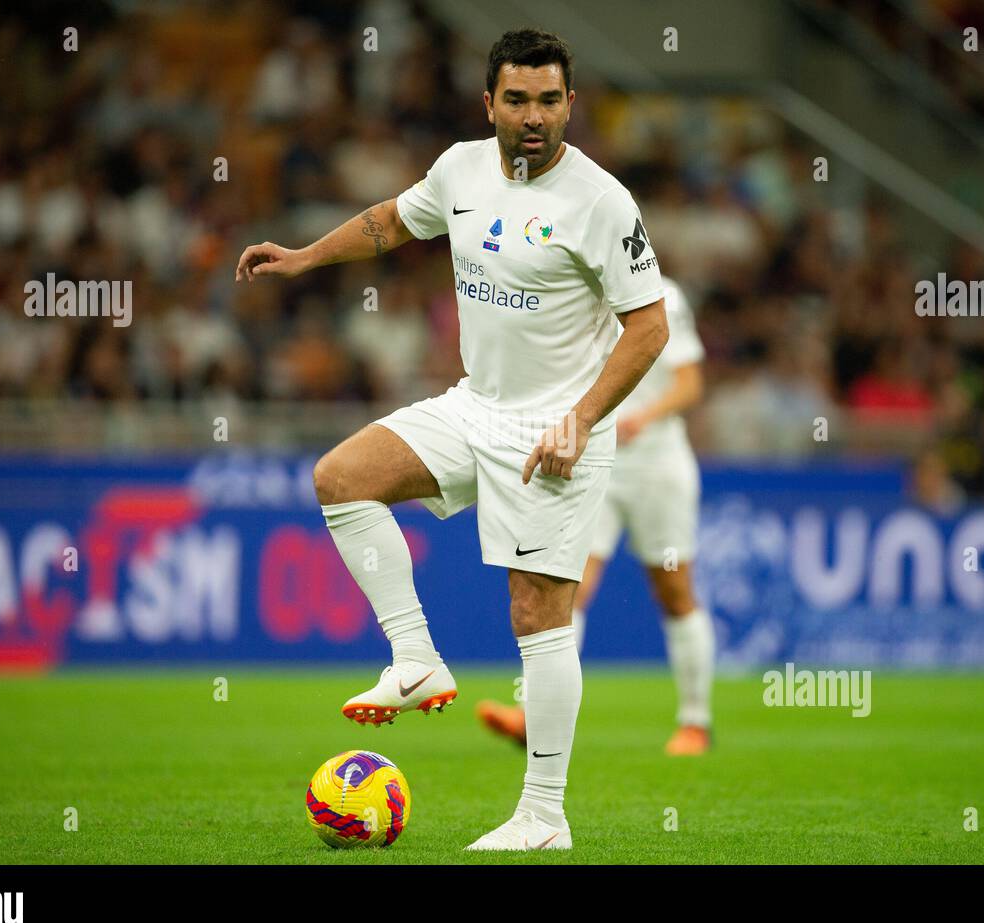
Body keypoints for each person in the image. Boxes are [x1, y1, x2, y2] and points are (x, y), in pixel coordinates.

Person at [234, 28, 667, 851]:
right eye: (517, 99)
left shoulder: (603, 201)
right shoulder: (459, 169)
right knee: (340, 477)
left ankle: (543, 813)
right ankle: (415, 657)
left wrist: (582, 418)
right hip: (477, 408)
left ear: (570, 104)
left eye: (549, 100)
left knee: (537, 615)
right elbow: (390, 224)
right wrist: (302, 258)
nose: (533, 116)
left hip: (558, 431)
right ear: (489, 103)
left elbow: (649, 329)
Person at [477, 277, 716, 756]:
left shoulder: (663, 293)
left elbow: (691, 383)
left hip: (657, 465)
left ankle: (695, 722)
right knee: (571, 586)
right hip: (592, 460)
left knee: (674, 591)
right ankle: (534, 717)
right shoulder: (568, 287)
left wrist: (645, 417)